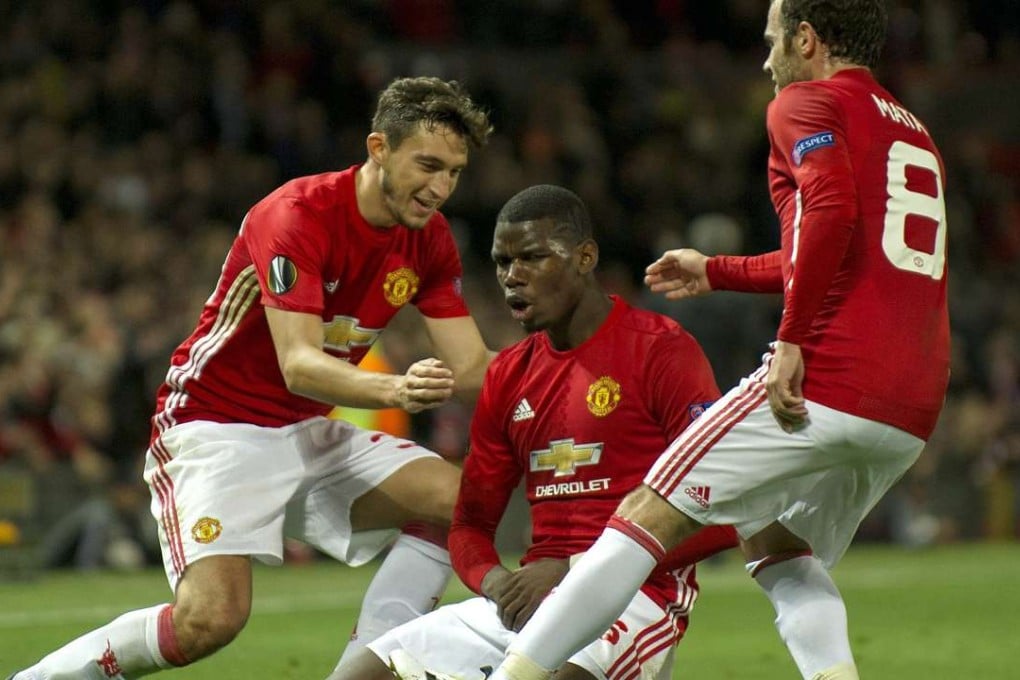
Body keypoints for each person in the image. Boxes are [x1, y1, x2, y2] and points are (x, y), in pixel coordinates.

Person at [487, 2, 950, 680]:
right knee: (779, 545)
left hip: (829, 379)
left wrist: (791, 340)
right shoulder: (911, 130)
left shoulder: (804, 102)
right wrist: (716, 271)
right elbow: (834, 250)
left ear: (807, 38)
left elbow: (829, 212)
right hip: (909, 410)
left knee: (645, 510)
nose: (766, 60)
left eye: (772, 41)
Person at [9, 75, 494, 680]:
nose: (440, 188)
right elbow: (300, 366)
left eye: (454, 173)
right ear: (378, 149)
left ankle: (359, 672)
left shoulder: (429, 240)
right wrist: (396, 390)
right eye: (428, 165)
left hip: (305, 432)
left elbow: (474, 365)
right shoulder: (298, 214)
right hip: (214, 426)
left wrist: (566, 384)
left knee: (464, 502)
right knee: (209, 621)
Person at [329, 184, 738, 680]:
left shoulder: (661, 350)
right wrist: (498, 583)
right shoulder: (509, 375)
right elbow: (470, 526)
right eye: (503, 263)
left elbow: (723, 510)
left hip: (634, 600)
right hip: (528, 602)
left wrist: (571, 569)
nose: (512, 278)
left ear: (585, 256)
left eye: (532, 258)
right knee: (360, 675)